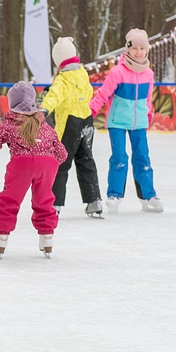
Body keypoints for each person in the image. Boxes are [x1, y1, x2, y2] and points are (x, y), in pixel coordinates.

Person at [0, 81, 67, 258]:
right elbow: (62, 153)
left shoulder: (10, 124)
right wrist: (48, 164)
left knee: (9, 200)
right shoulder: (45, 124)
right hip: (47, 164)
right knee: (44, 200)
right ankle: (47, 238)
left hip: (22, 164)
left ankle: (1, 239)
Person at [89, 29, 163, 213]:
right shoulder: (117, 72)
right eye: (135, 48)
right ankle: (114, 194)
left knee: (142, 157)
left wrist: (148, 113)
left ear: (147, 50)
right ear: (127, 49)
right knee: (120, 158)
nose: (138, 52)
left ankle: (148, 196)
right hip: (118, 122)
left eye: (142, 48)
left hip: (139, 123)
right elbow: (104, 93)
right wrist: (91, 109)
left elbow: (147, 98)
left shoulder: (148, 74)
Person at [40, 37, 102, 218]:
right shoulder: (83, 73)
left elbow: (54, 96)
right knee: (86, 160)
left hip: (70, 124)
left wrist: (44, 109)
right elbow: (90, 92)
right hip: (87, 122)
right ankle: (94, 201)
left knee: (60, 163)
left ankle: (55, 204)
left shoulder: (63, 79)